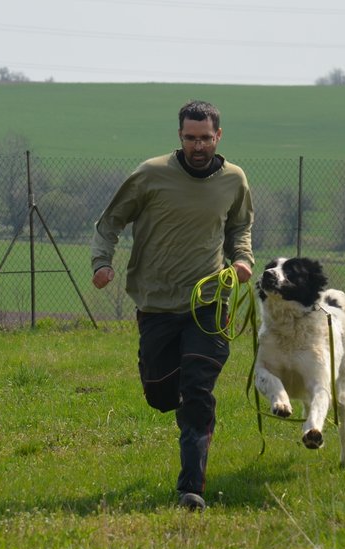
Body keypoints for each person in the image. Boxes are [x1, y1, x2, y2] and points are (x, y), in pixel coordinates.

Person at [91, 100, 254, 512]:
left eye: (205, 138)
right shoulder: (150, 175)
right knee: (163, 395)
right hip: (158, 302)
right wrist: (102, 263)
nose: (198, 145)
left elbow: (240, 225)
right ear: (179, 137)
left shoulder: (234, 180)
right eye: (190, 138)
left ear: (218, 136)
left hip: (209, 300)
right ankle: (172, 393)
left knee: (197, 392)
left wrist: (242, 259)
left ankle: (191, 488)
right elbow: (110, 221)